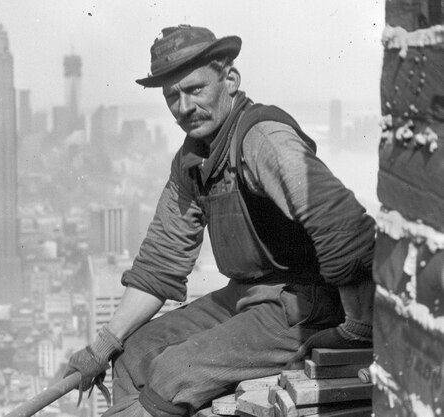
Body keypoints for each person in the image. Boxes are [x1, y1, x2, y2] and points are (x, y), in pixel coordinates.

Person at [65, 24, 375, 417]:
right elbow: (159, 266)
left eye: (195, 90)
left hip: (305, 301)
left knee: (175, 374)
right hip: (245, 296)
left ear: (230, 80)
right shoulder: (193, 161)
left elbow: (342, 224)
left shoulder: (262, 139)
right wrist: (102, 345)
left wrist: (358, 327)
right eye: (172, 96)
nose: (184, 107)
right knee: (133, 354)